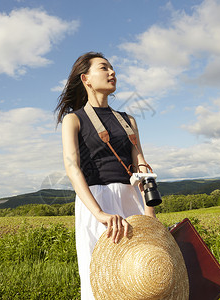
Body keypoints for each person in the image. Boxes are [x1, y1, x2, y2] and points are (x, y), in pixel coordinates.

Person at [55, 52, 156, 299]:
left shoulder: (127, 119)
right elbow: (72, 168)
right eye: (104, 68)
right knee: (101, 280)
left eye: (112, 68)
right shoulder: (73, 119)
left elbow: (141, 164)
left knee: (141, 277)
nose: (112, 72)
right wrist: (98, 212)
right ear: (86, 78)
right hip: (96, 200)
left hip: (132, 198)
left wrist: (150, 213)